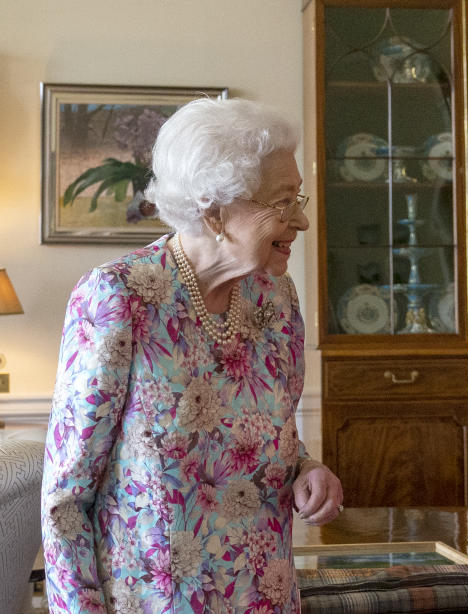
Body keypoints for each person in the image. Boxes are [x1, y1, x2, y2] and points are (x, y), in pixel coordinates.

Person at [41, 98, 343, 613]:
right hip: (151, 601)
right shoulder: (118, 297)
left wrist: (308, 468)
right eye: (283, 201)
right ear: (215, 209)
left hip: (263, 597)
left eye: (300, 198)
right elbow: (66, 500)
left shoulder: (276, 296)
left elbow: (275, 434)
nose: (302, 220)